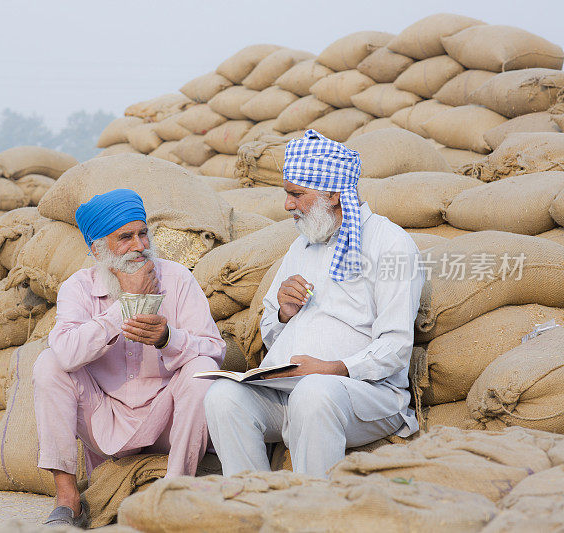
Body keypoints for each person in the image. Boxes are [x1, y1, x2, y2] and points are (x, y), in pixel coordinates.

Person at [204, 130, 424, 479]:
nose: (288, 205)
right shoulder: (302, 246)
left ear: (334, 193)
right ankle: (250, 505)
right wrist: (282, 313)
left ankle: (313, 511)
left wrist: (333, 369)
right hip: (288, 389)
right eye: (287, 194)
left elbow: (396, 347)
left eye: (297, 194)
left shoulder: (390, 244)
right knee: (222, 396)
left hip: (364, 393)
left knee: (314, 392)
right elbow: (271, 333)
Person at [34, 188, 225, 527]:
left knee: (202, 370)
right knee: (49, 363)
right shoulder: (78, 287)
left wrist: (168, 338)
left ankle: (175, 491)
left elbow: (215, 349)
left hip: (166, 417)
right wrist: (124, 306)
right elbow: (64, 352)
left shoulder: (178, 279)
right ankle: (68, 499)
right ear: (98, 249)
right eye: (125, 237)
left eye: (142, 233)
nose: (139, 246)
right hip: (105, 419)